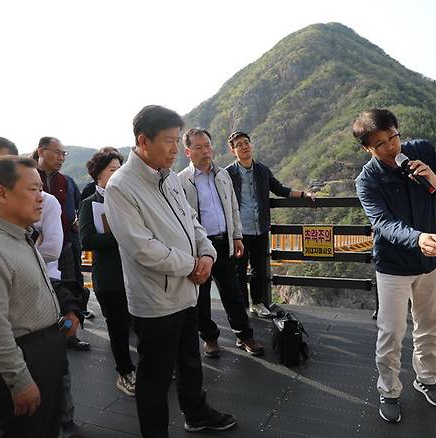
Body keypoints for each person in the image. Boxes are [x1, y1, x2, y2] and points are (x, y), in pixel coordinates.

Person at [105, 105, 236, 437]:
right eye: (169, 141)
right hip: (156, 300)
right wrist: (192, 265)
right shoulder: (121, 186)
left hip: (186, 292)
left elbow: (191, 221)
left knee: (190, 362)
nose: (175, 148)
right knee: (155, 378)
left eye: (178, 140)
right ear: (142, 140)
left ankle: (196, 413)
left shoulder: (169, 179)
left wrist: (206, 252)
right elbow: (142, 247)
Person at [0, 156, 80, 437]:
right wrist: (19, 380)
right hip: (24, 360)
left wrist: (67, 314)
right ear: (1, 192)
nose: (42, 198)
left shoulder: (18, 236)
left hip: (44, 354)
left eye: (42, 189)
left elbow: (36, 291)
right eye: (33, 189)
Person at [353, 108, 436, 423]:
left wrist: (434, 179)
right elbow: (383, 223)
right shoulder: (367, 180)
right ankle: (389, 390)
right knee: (392, 331)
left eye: (394, 137)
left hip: (433, 259)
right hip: (394, 267)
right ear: (368, 149)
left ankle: (426, 379)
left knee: (429, 324)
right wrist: (417, 238)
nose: (392, 147)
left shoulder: (422, 151)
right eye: (381, 143)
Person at [178, 128, 263, 358]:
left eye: (207, 145)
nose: (205, 150)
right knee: (201, 297)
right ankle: (210, 338)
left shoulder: (222, 175)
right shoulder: (180, 181)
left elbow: (233, 207)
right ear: (188, 152)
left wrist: (237, 235)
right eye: (198, 147)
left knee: (233, 292)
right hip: (199, 249)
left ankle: (244, 335)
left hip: (223, 243)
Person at [225, 131, 315, 317]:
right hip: (239, 231)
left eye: (247, 142)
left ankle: (257, 304)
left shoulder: (262, 170)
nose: (244, 146)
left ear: (252, 145)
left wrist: (304, 194)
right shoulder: (227, 174)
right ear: (233, 150)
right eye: (239, 144)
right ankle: (241, 308)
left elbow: (279, 189)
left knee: (258, 268)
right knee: (239, 271)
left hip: (260, 228)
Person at [79, 149, 136, 396]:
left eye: (120, 169)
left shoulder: (130, 197)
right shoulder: (89, 203)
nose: (118, 174)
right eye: (113, 170)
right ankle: (125, 372)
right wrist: (121, 236)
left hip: (135, 273)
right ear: (98, 175)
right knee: (118, 327)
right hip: (110, 277)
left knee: (142, 323)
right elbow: (87, 240)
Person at [34, 136, 92, 351]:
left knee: (70, 288)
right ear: (41, 151)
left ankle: (70, 333)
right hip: (37, 248)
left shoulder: (66, 181)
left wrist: (75, 220)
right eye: (57, 152)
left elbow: (75, 206)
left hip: (66, 244)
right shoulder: (30, 177)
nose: (61, 158)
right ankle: (45, 334)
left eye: (63, 154)